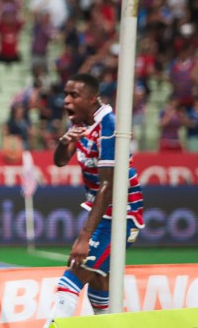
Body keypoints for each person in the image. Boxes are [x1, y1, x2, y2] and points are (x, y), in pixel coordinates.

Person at [44, 73, 145, 327]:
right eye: (65, 94)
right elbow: (60, 161)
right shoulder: (79, 122)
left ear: (91, 99)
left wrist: (84, 237)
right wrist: (63, 142)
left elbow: (108, 186)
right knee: (99, 283)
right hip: (104, 213)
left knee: (73, 276)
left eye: (73, 95)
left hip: (123, 214)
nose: (66, 101)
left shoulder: (109, 126)